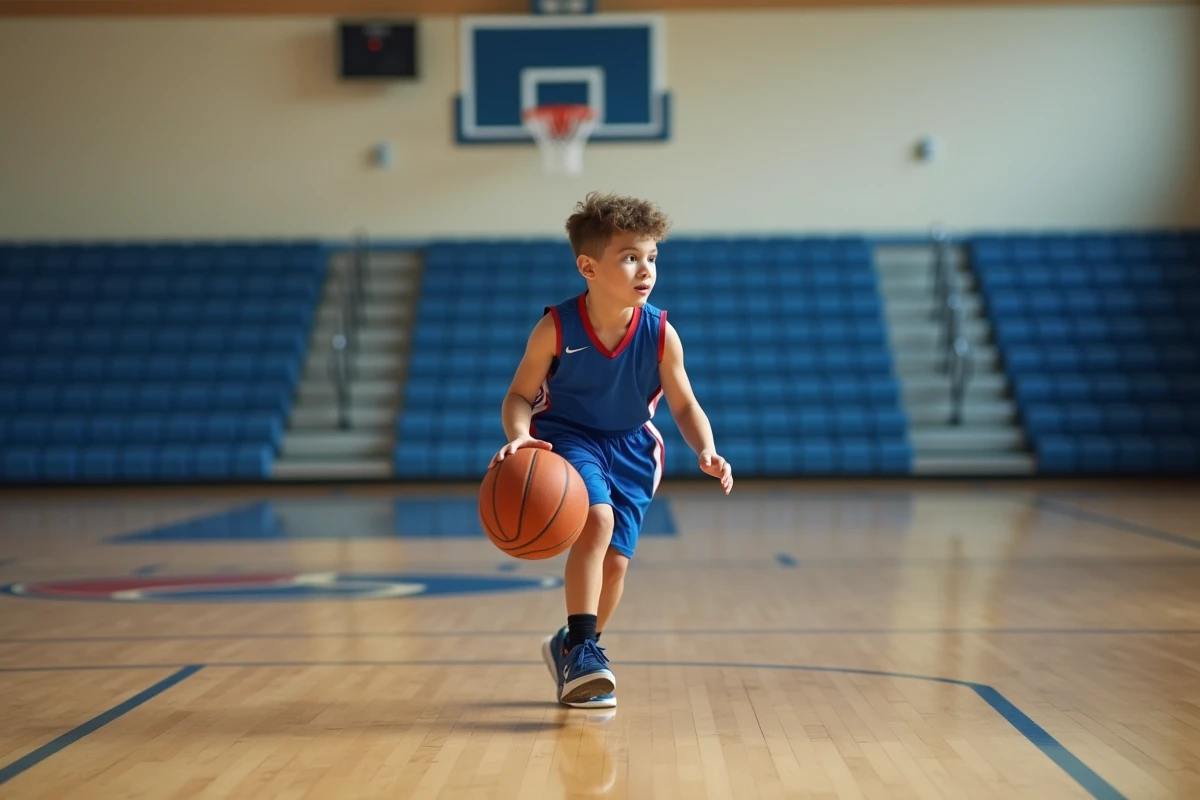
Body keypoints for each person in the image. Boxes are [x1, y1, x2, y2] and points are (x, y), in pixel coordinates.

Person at [489, 192, 733, 709]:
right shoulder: (555, 327)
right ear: (588, 267)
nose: (645, 269)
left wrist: (706, 449)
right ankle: (585, 651)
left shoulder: (661, 334)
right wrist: (518, 434)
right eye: (629, 257)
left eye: (651, 258)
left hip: (634, 448)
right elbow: (517, 396)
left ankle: (574, 644)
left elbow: (685, 404)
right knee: (596, 521)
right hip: (568, 437)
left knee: (616, 566)